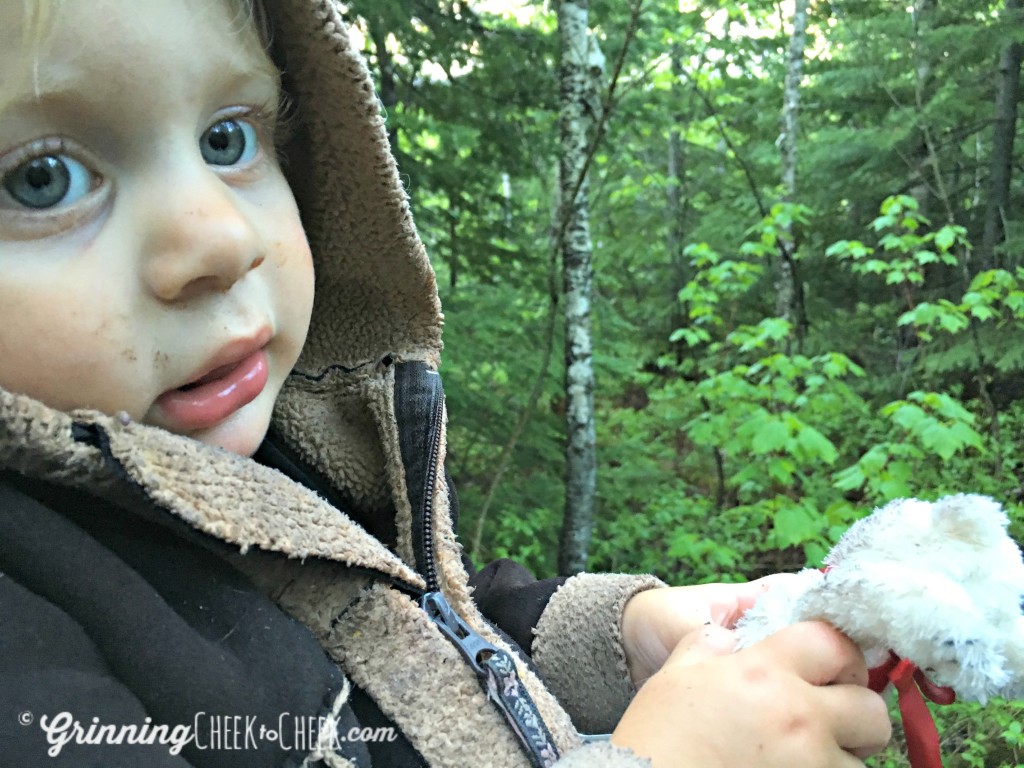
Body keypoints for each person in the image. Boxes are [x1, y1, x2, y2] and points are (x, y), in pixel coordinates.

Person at [0, 0, 892, 765]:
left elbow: (423, 635)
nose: (222, 238)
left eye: (227, 137)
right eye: (42, 180)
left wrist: (624, 640)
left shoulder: (300, 452)